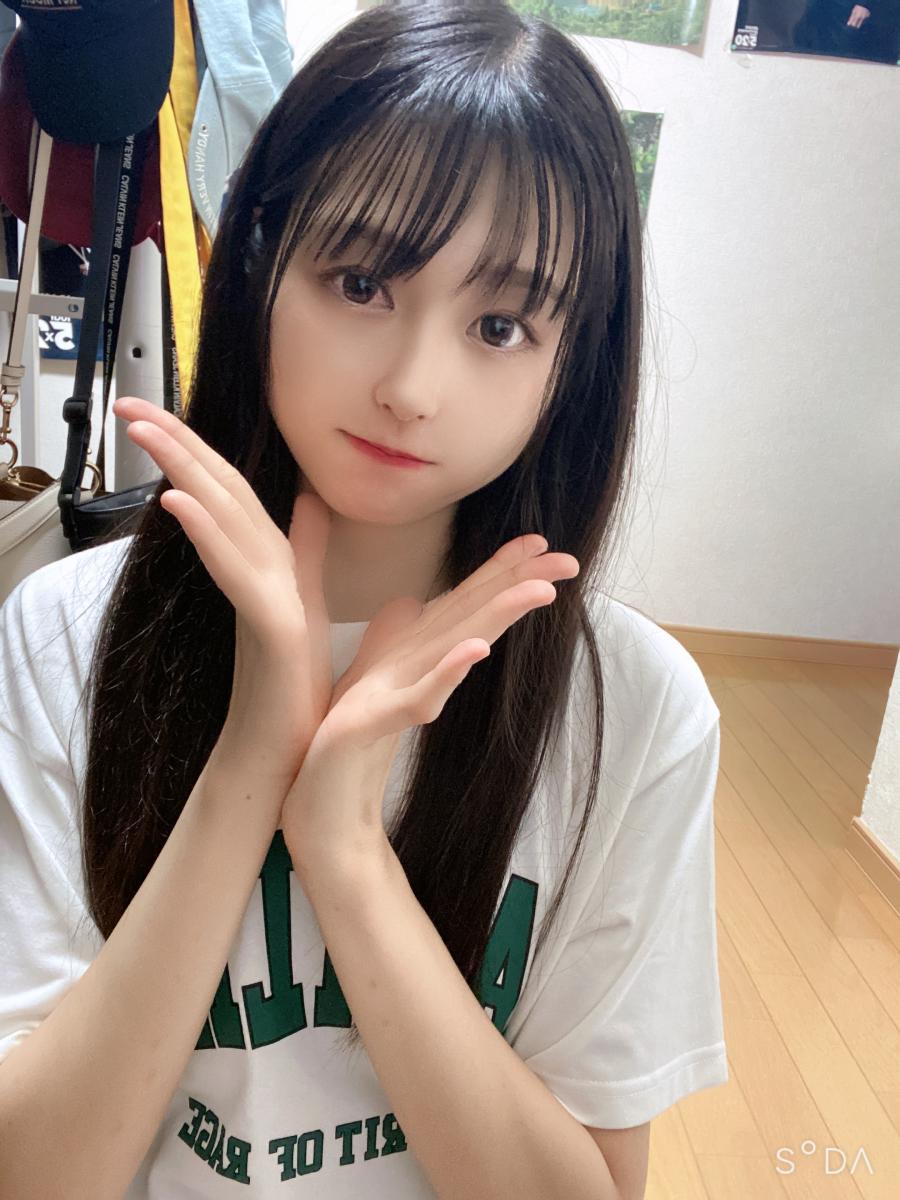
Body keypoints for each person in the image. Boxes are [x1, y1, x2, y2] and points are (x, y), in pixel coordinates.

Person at [0, 2, 727, 1197]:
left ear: (570, 364)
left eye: (500, 324)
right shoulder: (61, 634)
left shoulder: (635, 712)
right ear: (257, 260)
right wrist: (252, 757)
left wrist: (342, 842)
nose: (413, 387)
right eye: (360, 281)